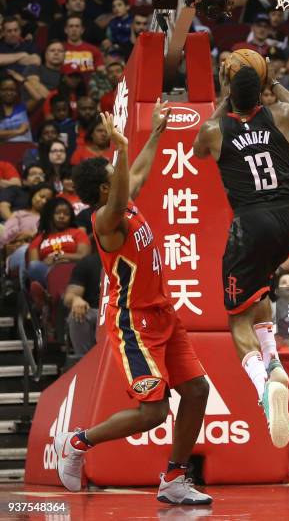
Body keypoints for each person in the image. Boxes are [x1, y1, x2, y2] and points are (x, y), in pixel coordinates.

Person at [64, 102, 212, 505]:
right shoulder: (104, 220)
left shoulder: (125, 202)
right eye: (116, 176)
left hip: (164, 315)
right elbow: (126, 183)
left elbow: (140, 173)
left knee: (197, 391)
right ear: (105, 191)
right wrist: (123, 148)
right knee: (152, 414)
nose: (125, 175)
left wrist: (158, 134)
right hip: (135, 324)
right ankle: (80, 441)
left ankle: (174, 479)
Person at [193, 60, 289, 449]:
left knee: (236, 317)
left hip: (252, 222)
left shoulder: (215, 129)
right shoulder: (279, 114)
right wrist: (274, 83)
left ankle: (264, 389)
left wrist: (222, 97)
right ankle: (274, 362)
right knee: (258, 288)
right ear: (261, 89)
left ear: (230, 91)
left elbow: (197, 150)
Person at [26, 196, 91, 287]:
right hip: (48, 271)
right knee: (34, 266)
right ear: (49, 215)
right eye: (57, 213)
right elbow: (34, 264)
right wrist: (50, 263)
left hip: (73, 268)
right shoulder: (38, 240)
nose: (62, 216)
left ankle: (53, 294)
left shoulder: (78, 233)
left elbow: (84, 256)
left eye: (66, 214)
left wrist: (58, 257)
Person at [63, 250, 102, 357]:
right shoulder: (88, 262)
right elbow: (69, 296)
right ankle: (85, 362)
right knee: (78, 315)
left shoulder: (133, 260)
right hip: (97, 311)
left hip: (125, 311)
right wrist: (76, 299)